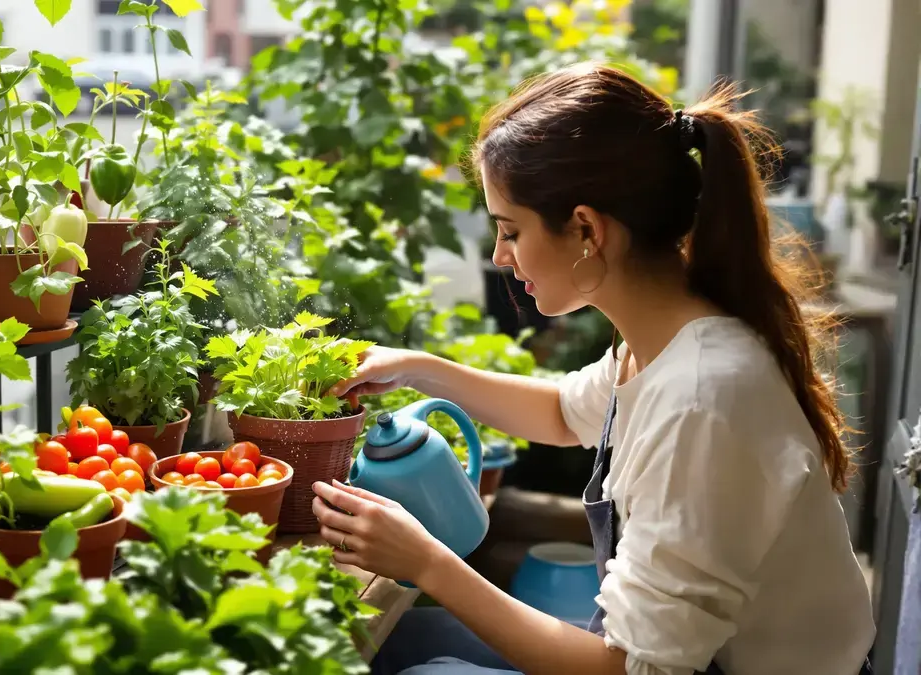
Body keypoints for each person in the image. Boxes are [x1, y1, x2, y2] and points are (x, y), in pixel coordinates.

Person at [310, 63, 876, 675]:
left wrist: (427, 562)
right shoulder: (663, 340)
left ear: (586, 229)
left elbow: (632, 670)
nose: (500, 255)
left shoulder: (700, 401)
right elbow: (560, 412)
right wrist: (420, 368)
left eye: (511, 230)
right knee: (400, 642)